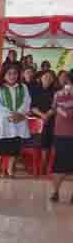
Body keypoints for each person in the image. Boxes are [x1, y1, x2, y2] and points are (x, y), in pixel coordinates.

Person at [0, 62, 32, 178]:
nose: (12, 76)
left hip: (18, 120)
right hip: (2, 121)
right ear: (4, 74)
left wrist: (19, 113)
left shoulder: (23, 87)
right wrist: (11, 114)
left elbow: (27, 102)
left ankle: (10, 169)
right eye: (9, 73)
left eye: (15, 73)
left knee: (14, 145)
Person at [50, 71, 73, 202]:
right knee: (59, 163)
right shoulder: (58, 94)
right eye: (62, 79)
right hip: (61, 133)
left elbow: (67, 114)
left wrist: (60, 107)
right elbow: (54, 109)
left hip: (67, 133)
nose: (64, 81)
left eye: (66, 79)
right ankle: (55, 192)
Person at [30, 70, 56, 172]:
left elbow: (55, 106)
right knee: (37, 140)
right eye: (45, 77)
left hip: (50, 119)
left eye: (50, 77)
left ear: (53, 80)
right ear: (40, 78)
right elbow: (32, 106)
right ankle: (37, 164)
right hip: (37, 119)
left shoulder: (55, 91)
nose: (48, 79)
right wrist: (42, 115)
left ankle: (44, 164)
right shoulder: (35, 90)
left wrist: (47, 115)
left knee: (47, 139)